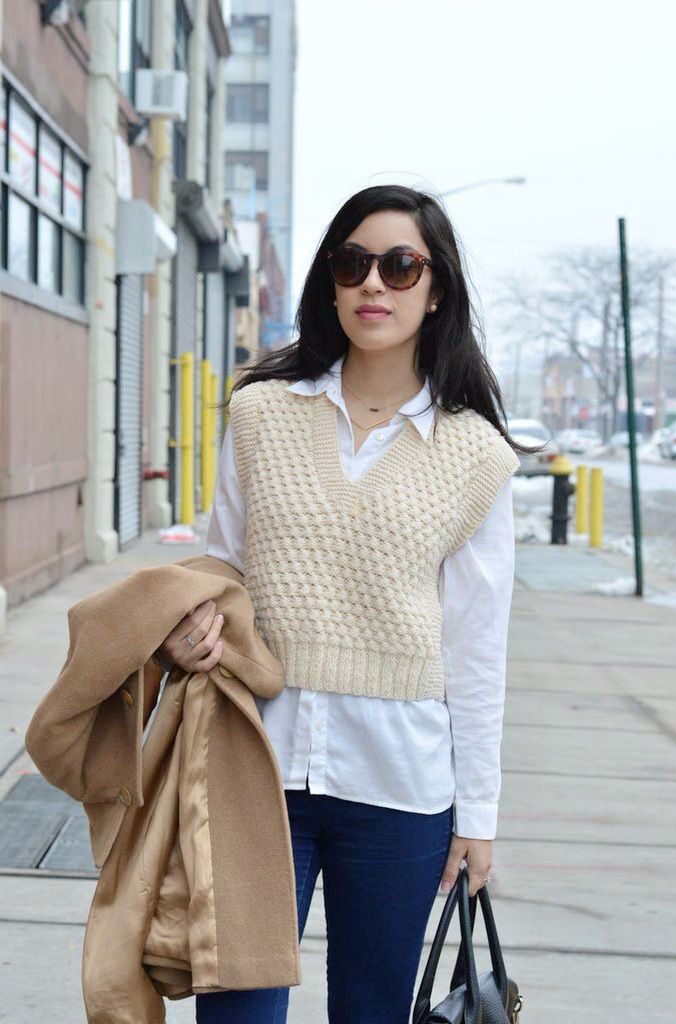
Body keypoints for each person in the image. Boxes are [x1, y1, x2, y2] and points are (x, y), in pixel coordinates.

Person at [154, 184, 526, 1024]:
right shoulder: (259, 413)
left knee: (370, 1012)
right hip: (255, 762)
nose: (374, 286)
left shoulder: (474, 455)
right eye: (353, 263)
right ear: (328, 282)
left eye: (401, 267)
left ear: (436, 290)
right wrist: (189, 628)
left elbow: (475, 647)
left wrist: (478, 818)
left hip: (399, 787)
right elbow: (224, 569)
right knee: (236, 1014)